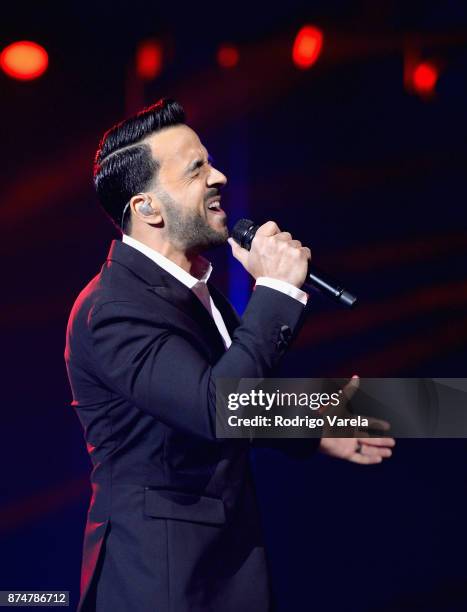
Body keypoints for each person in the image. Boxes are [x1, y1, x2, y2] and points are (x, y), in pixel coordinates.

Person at [65, 98, 394, 612]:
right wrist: (278, 293)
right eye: (197, 170)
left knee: (429, 406)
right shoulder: (111, 307)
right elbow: (217, 408)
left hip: (222, 569)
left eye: (211, 162)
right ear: (146, 207)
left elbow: (228, 394)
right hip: (163, 582)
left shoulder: (195, 290)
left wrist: (319, 424)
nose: (218, 176)